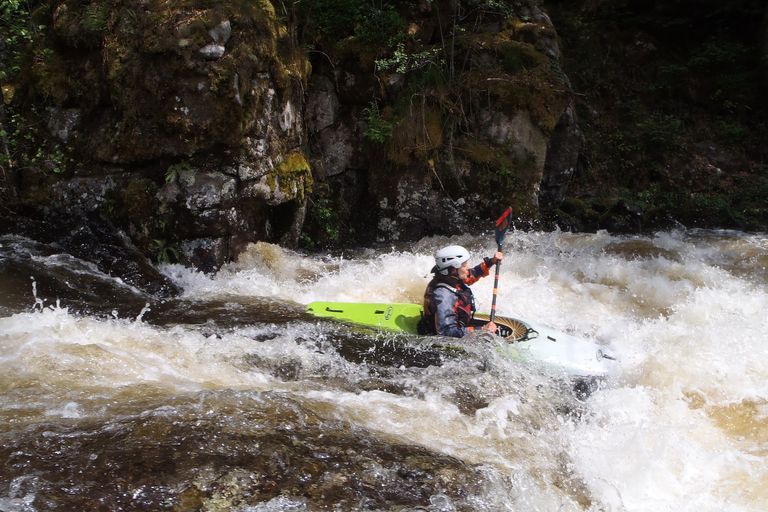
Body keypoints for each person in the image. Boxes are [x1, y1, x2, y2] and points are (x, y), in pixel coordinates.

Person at [418, 245, 503, 337]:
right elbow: (446, 333)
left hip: (458, 326)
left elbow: (472, 274)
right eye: (464, 265)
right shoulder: (443, 296)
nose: (467, 268)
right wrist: (481, 330)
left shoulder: (452, 278)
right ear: (454, 269)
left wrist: (491, 261)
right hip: (442, 338)